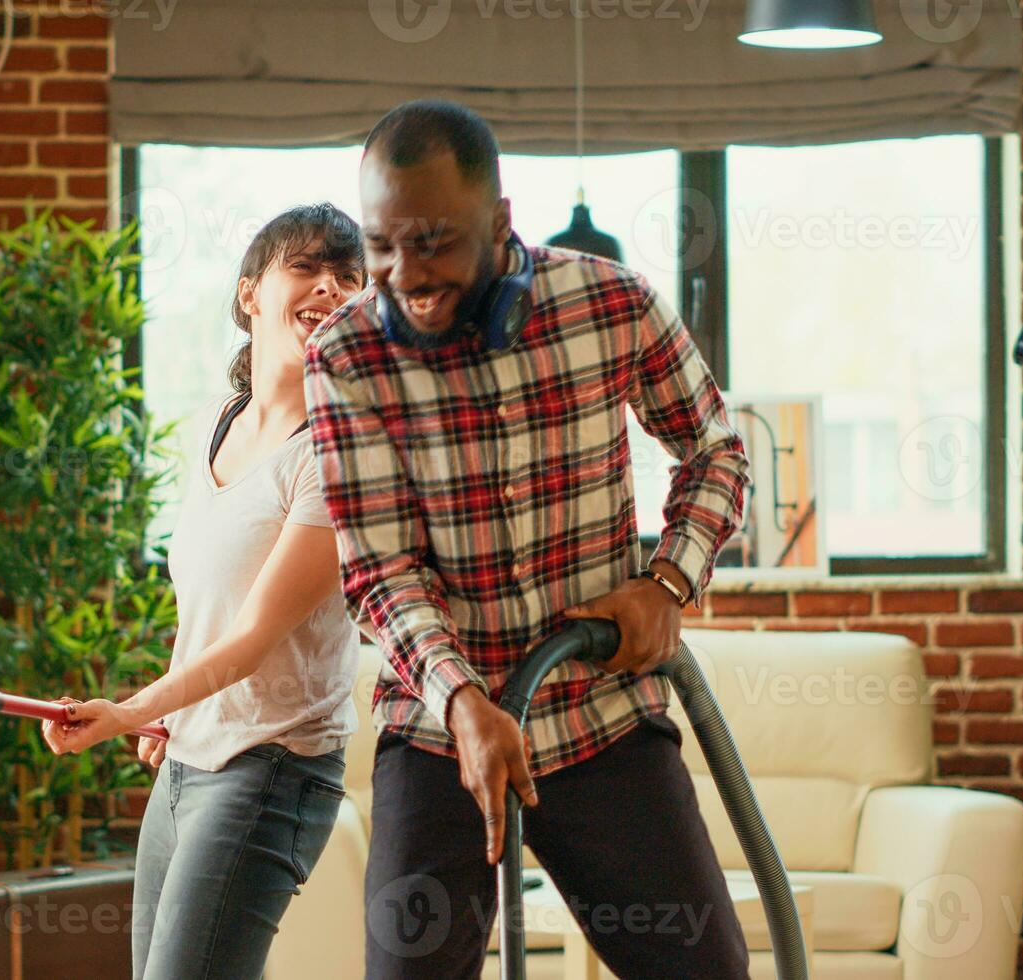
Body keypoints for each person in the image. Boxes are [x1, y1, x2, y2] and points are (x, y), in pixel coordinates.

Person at [302, 100, 753, 978]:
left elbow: (714, 450)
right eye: (383, 246)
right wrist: (466, 704)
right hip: (442, 734)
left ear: (500, 222)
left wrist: (666, 584)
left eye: (434, 241)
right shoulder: (347, 356)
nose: (405, 273)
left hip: (603, 720)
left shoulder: (611, 304)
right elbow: (380, 569)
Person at [44, 203, 366, 979]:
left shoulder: (336, 456)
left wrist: (131, 711)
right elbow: (209, 611)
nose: (330, 287)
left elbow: (254, 640)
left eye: (349, 277)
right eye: (307, 267)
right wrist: (173, 716)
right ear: (250, 293)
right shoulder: (220, 423)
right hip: (190, 759)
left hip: (271, 767)